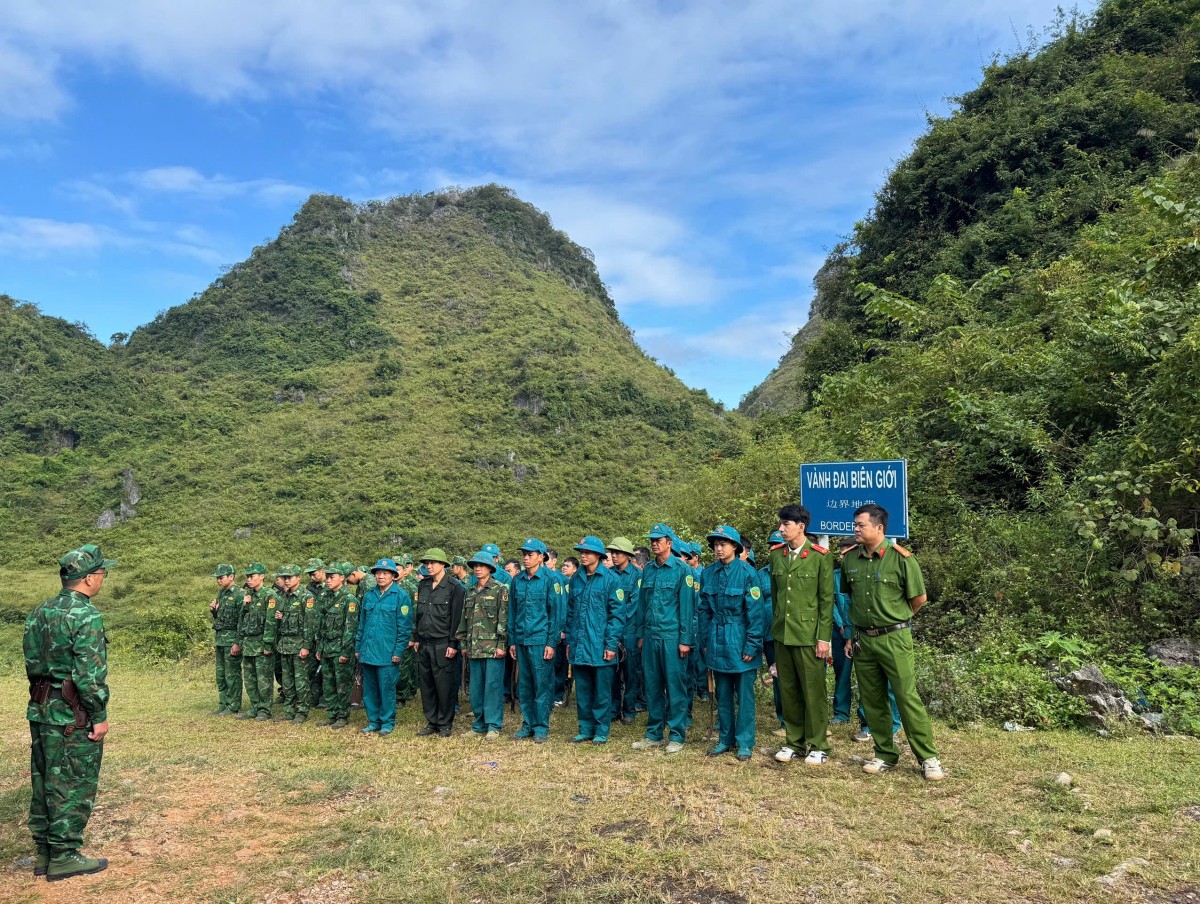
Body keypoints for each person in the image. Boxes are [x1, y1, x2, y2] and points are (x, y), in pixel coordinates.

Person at [25, 544, 115, 881]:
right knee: (73, 782)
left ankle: (45, 852)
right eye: (102, 574)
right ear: (89, 578)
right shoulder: (85, 615)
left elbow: (33, 664)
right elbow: (89, 676)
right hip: (72, 714)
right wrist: (99, 715)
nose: (103, 579)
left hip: (42, 708)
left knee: (44, 779)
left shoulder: (40, 611)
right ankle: (64, 855)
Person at [841, 505, 945, 781]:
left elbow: (918, 599)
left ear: (879, 528)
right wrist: (853, 636)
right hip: (864, 640)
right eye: (855, 524)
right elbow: (851, 598)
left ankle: (928, 757)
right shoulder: (850, 559)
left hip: (894, 638)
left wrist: (896, 621)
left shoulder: (902, 559)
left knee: (906, 697)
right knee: (872, 700)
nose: (856, 529)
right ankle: (885, 754)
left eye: (861, 525)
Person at [768, 504, 834, 766]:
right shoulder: (776, 555)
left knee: (813, 692)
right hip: (783, 635)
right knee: (789, 689)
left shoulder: (820, 556)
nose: (781, 529)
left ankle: (818, 744)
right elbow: (776, 598)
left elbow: (826, 601)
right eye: (781, 524)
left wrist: (823, 638)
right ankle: (794, 741)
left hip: (809, 636)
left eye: (786, 524)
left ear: (801, 527)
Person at [697, 526, 763, 762]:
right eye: (715, 544)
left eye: (723, 544)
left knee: (744, 696)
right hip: (716, 639)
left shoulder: (747, 573)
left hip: (740, 638)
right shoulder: (707, 573)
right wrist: (705, 640)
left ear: (735, 547)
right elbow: (703, 609)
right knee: (723, 694)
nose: (718, 548)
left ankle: (745, 742)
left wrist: (751, 645)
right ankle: (725, 739)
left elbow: (755, 614)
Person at [632, 523, 696, 754]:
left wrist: (685, 640)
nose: (654, 543)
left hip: (672, 637)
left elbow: (687, 608)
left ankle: (677, 734)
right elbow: (642, 605)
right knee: (653, 685)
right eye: (652, 539)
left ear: (669, 543)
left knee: (675, 686)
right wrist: (640, 634)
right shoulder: (648, 569)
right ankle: (654, 733)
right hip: (650, 636)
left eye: (658, 539)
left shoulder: (682, 570)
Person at [831, 550, 902, 741]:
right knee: (851, 677)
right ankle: (858, 720)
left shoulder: (890, 567)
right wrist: (845, 631)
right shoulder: (837, 577)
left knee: (884, 681)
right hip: (849, 632)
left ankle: (892, 727)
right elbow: (833, 604)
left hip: (880, 634)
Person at [565, 536, 625, 744]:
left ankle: (601, 730)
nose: (583, 555)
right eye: (581, 552)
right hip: (580, 645)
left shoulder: (611, 580)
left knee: (602, 691)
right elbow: (570, 613)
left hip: (600, 645)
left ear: (598, 556)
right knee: (582, 690)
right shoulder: (576, 579)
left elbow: (617, 616)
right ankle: (585, 728)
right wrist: (570, 642)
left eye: (587, 552)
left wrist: (611, 644)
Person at [508, 538, 565, 743]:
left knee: (542, 684)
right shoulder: (517, 580)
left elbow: (556, 614)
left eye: (530, 554)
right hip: (522, 639)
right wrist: (513, 640)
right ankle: (528, 724)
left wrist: (551, 642)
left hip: (541, 640)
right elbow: (513, 612)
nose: (525, 557)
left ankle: (541, 726)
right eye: (524, 553)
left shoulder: (551, 580)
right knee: (525, 684)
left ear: (541, 557)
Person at [412, 548, 466, 737]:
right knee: (426, 685)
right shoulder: (423, 585)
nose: (429, 566)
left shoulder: (454, 587)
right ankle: (431, 721)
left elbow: (457, 618)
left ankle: (444, 723)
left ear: (443, 564)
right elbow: (418, 615)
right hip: (424, 643)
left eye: (433, 562)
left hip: (443, 643)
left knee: (444, 685)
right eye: (427, 563)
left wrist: (453, 643)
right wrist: (416, 638)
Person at [355, 558, 412, 735]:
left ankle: (387, 722)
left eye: (385, 573)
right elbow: (362, 624)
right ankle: (373, 721)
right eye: (378, 573)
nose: (381, 576)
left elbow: (405, 628)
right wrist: (358, 647)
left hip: (387, 653)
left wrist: (398, 651)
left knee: (386, 689)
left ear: (393, 576)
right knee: (370, 690)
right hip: (368, 650)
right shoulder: (369, 595)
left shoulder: (401, 596)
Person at [459, 550, 509, 739]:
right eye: (475, 566)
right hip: (474, 648)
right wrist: (463, 642)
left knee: (493, 687)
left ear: (490, 568)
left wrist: (501, 644)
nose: (478, 568)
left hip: (492, 648)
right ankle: (479, 723)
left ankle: (493, 725)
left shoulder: (500, 589)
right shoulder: (470, 591)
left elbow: (503, 618)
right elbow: (464, 619)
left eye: (482, 566)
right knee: (476, 689)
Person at [314, 563, 359, 729]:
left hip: (340, 649)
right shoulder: (325, 597)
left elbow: (350, 628)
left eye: (332, 577)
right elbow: (320, 624)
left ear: (342, 578)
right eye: (327, 577)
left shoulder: (349, 600)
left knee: (342, 684)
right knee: (328, 684)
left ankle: (342, 715)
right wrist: (320, 647)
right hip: (327, 648)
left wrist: (346, 651)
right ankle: (332, 713)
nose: (328, 580)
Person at [233, 563, 278, 722]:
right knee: (250, 679)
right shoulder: (248, 596)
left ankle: (264, 709)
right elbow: (242, 621)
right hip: (248, 644)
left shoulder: (269, 595)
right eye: (247, 577)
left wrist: (268, 644)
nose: (249, 579)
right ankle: (254, 707)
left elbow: (271, 622)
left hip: (261, 644)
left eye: (252, 576)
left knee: (263, 679)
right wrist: (245, 605)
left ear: (262, 577)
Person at [607, 537, 643, 723]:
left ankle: (629, 710)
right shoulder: (608, 574)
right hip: (612, 632)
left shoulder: (637, 576)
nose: (614, 556)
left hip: (629, 631)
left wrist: (617, 618)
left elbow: (634, 604)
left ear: (628, 555)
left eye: (618, 552)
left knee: (631, 673)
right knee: (612, 672)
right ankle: (613, 710)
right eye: (612, 552)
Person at [274, 565, 315, 724]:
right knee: (287, 681)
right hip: (284, 645)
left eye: (289, 577)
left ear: (299, 578)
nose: (286, 580)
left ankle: (302, 711)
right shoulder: (283, 597)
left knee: (301, 681)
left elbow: (309, 624)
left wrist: (306, 646)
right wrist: (280, 616)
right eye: (284, 577)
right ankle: (289, 710)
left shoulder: (306, 597)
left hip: (299, 645)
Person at [210, 563, 243, 715]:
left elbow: (241, 621)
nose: (218, 580)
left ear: (231, 577)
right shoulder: (222, 593)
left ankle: (233, 705)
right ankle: (223, 703)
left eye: (221, 577)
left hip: (231, 640)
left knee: (232, 675)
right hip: (220, 639)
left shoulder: (239, 594)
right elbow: (222, 618)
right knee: (221, 674)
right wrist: (214, 612)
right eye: (217, 578)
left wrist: (237, 642)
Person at [303, 558, 329, 710]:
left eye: (314, 574)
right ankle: (313, 696)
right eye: (310, 575)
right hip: (312, 632)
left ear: (322, 571)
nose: (312, 577)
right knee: (312, 667)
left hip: (326, 632)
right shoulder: (309, 589)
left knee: (326, 668)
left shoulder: (330, 588)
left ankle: (326, 697)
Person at [394, 554, 420, 707]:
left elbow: (415, 614)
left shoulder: (411, 588)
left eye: (398, 569)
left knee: (404, 666)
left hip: (405, 633)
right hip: (390, 634)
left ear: (404, 571)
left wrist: (412, 635)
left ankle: (401, 696)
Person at [553, 555, 579, 706]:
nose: (564, 568)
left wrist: (566, 629)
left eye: (567, 566)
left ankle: (561, 692)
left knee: (562, 664)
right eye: (563, 565)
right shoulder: (559, 581)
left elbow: (569, 610)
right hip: (559, 630)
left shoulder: (572, 584)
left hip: (568, 630)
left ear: (575, 569)